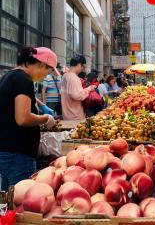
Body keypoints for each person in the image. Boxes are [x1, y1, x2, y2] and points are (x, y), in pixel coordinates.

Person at [0, 47, 57, 191]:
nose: (45, 77)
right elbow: (23, 118)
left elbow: (17, 98)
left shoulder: (11, 75)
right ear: (41, 65)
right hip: (18, 154)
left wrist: (40, 104)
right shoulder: (23, 80)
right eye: (47, 72)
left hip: (7, 149)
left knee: (8, 197)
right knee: (19, 198)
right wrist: (45, 118)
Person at [61, 55, 95, 121]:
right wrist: (89, 89)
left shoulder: (65, 76)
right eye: (83, 67)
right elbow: (77, 95)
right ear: (79, 64)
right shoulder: (74, 78)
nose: (82, 69)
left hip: (67, 115)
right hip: (75, 116)